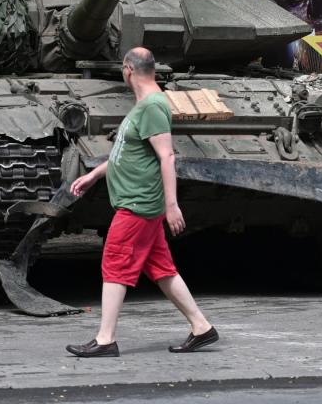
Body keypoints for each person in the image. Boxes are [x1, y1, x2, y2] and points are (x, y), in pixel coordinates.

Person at [65, 47, 217, 357]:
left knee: (114, 262)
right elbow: (128, 153)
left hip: (138, 204)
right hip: (138, 202)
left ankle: (105, 339)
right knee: (161, 268)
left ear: (127, 70)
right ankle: (202, 327)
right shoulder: (144, 105)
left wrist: (172, 205)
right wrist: (95, 175)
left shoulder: (151, 107)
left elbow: (166, 156)